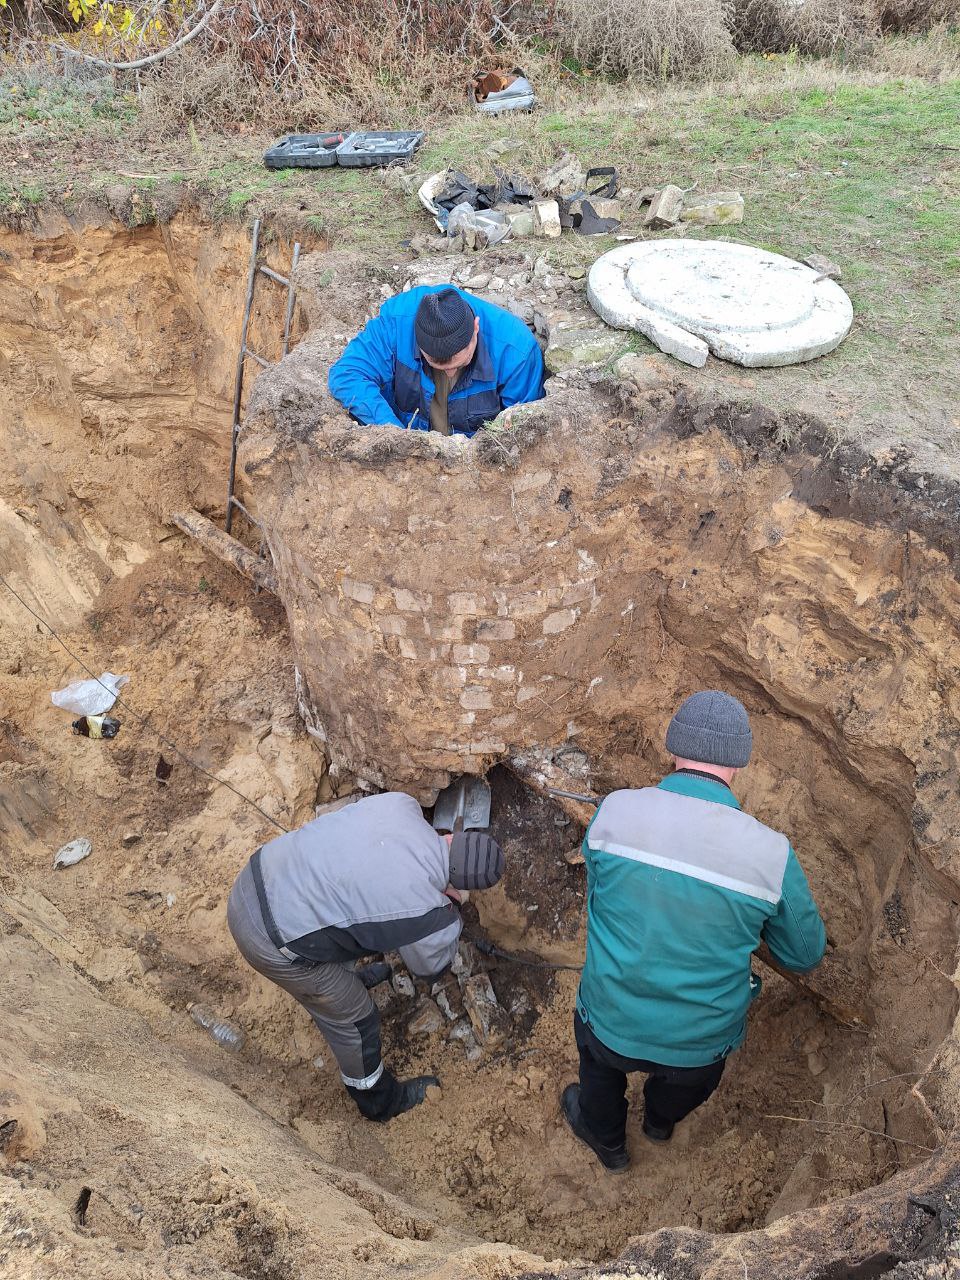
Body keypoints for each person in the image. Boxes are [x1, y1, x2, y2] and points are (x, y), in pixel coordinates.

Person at [562, 690, 826, 1174]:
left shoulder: (614, 812)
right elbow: (804, 955)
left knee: (599, 1075)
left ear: (673, 747)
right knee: (683, 1085)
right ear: (739, 764)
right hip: (699, 1042)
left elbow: (600, 888)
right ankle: (659, 1123)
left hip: (610, 1015)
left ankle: (609, 1146)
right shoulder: (771, 854)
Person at [227, 791, 505, 1122]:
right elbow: (428, 967)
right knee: (356, 1017)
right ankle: (377, 1101)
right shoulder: (429, 911)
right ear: (461, 884)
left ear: (453, 836)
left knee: (354, 919)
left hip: (259, 875)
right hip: (269, 940)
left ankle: (343, 978)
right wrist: (452, 905)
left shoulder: (403, 805)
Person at [327, 285, 545, 436]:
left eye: (458, 364)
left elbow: (519, 433)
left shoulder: (516, 352)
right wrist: (394, 435)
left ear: (476, 328)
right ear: (418, 342)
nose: (450, 374)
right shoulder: (397, 324)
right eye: (437, 365)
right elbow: (348, 374)